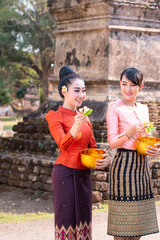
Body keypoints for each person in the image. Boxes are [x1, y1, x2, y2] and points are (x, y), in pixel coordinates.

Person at [45, 66, 111, 240]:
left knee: (83, 219)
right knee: (66, 219)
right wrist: (75, 125)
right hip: (64, 172)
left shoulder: (85, 116)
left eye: (83, 90)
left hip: (83, 173)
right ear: (64, 91)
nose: (81, 95)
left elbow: (93, 146)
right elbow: (63, 146)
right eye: (77, 90)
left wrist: (105, 159)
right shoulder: (55, 116)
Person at [106, 67, 160, 240]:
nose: (128, 89)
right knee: (122, 226)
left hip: (141, 166)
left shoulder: (143, 109)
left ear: (141, 86)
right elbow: (112, 142)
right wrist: (130, 132)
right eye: (124, 84)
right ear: (120, 84)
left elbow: (146, 137)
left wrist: (158, 148)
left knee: (138, 226)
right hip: (123, 165)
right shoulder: (114, 107)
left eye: (133, 85)